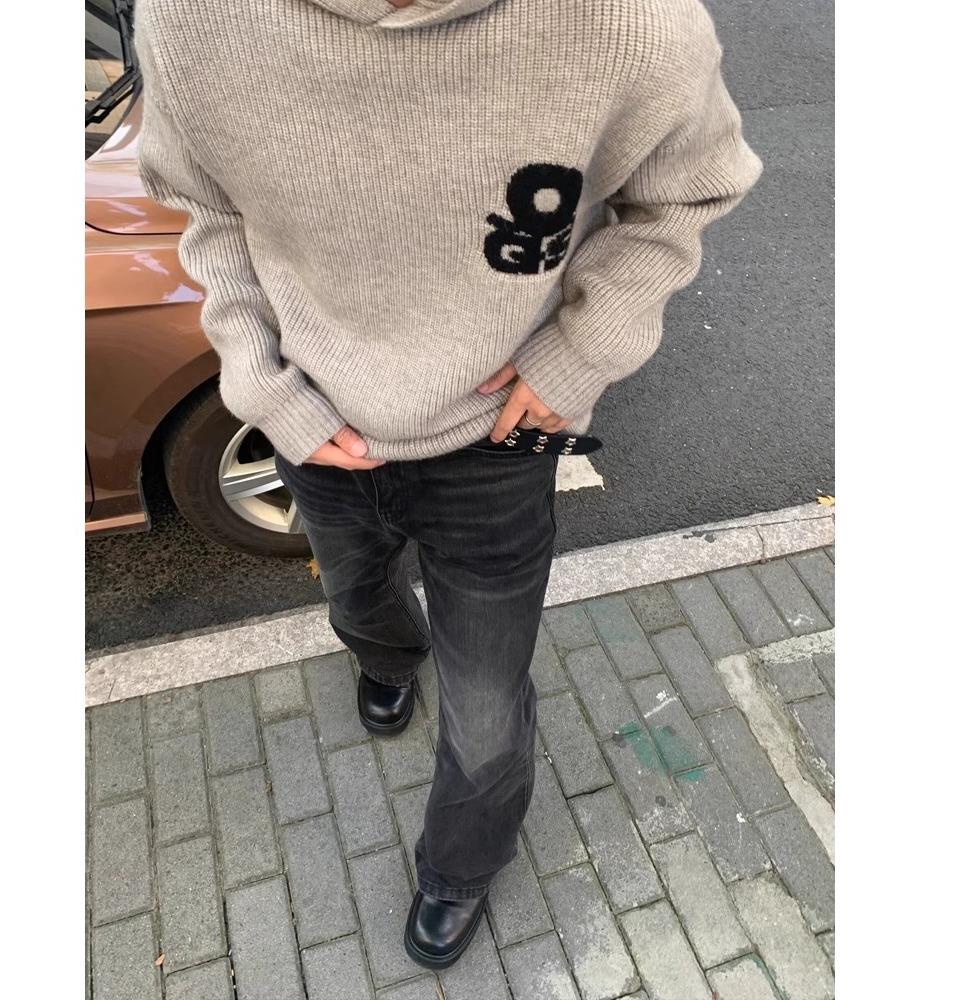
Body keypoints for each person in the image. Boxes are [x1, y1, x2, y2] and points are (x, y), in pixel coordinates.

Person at [135, 0, 762, 971]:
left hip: (496, 444)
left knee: (485, 702)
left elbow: (688, 191)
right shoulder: (192, 18)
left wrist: (578, 353)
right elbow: (209, 212)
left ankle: (461, 864)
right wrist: (266, 387)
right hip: (316, 420)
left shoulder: (631, 22)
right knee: (356, 597)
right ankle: (388, 659)